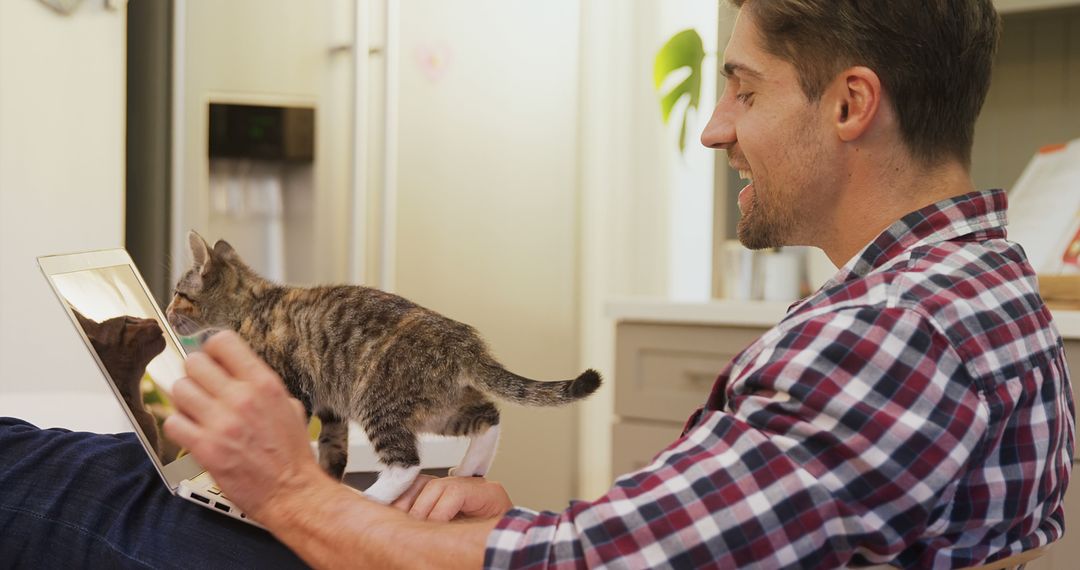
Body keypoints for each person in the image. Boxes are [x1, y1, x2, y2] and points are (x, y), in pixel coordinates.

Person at [0, 0, 1073, 567]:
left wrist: (293, 491)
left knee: (46, 474)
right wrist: (517, 523)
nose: (713, 126)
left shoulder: (892, 340)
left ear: (848, 105)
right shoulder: (982, 288)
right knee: (112, 464)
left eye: (741, 90)